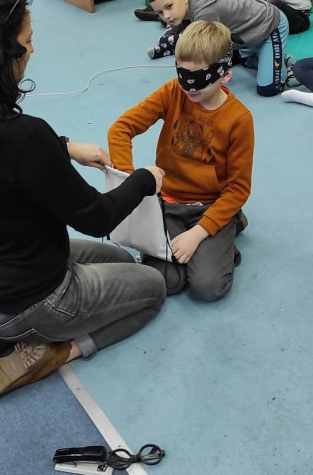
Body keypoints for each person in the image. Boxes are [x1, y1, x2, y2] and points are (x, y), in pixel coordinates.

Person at [0, 0, 166, 404]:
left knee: (121, 259)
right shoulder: (25, 137)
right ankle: (57, 352)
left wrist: (65, 147)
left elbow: (1, 159)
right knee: (152, 287)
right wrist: (145, 179)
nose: (32, 49)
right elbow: (98, 217)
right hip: (32, 296)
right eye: (27, 41)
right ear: (0, 55)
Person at [108, 21, 254, 300]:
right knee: (168, 281)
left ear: (225, 74)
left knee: (207, 287)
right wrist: (129, 181)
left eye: (198, 79)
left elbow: (238, 188)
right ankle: (214, 240)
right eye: (182, 75)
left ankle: (227, 227)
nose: (189, 87)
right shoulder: (173, 92)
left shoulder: (239, 120)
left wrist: (199, 233)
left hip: (209, 205)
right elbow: (121, 128)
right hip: (167, 203)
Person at [145, 0, 289, 97]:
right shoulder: (185, 5)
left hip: (270, 24)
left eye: (169, 6)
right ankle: (265, 56)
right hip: (247, 35)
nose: (166, 15)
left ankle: (283, 61)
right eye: (160, 12)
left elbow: (204, 53)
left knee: (268, 89)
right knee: (234, 59)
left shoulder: (205, 12)